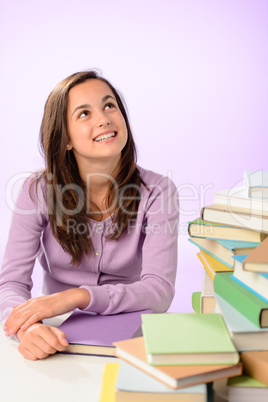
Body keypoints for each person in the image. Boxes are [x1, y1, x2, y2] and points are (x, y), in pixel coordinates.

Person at [0, 70, 179, 360]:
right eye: (84, 113)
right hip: (56, 333)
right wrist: (28, 329)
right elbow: (11, 284)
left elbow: (159, 291)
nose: (104, 118)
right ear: (65, 138)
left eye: (110, 105)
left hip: (131, 334)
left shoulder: (158, 191)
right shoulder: (36, 190)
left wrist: (76, 297)